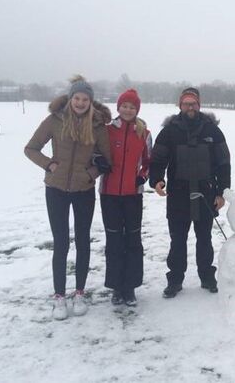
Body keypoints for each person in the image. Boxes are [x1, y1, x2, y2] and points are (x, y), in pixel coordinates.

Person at [24, 75, 111, 320]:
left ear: (91, 102)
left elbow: (107, 160)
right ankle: (60, 296)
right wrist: (48, 164)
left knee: (83, 241)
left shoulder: (97, 126)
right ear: (70, 99)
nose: (81, 103)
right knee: (60, 243)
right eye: (77, 98)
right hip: (56, 190)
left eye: (85, 99)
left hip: (84, 191)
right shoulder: (54, 120)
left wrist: (90, 174)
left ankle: (80, 292)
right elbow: (30, 148)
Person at [149, 87, 231, 298]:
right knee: (178, 239)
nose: (190, 107)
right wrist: (157, 180)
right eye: (186, 103)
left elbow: (223, 162)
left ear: (199, 105)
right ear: (180, 106)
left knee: (204, 237)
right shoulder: (170, 130)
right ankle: (175, 279)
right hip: (178, 193)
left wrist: (222, 192)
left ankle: (207, 276)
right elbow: (157, 159)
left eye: (193, 103)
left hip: (206, 193)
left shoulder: (212, 130)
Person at [99, 89, 152, 307]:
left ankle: (129, 286)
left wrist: (142, 177)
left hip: (132, 195)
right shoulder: (106, 131)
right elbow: (96, 153)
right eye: (124, 106)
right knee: (113, 240)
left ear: (137, 110)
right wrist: (98, 162)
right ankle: (116, 287)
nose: (128, 110)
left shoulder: (144, 133)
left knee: (132, 239)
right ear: (118, 107)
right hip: (109, 194)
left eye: (132, 107)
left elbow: (149, 162)